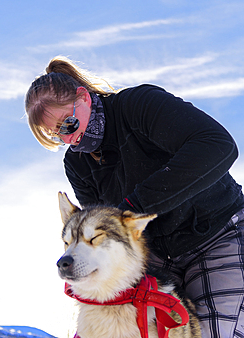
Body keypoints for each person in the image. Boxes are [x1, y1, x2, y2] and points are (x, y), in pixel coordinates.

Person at [25, 56, 244, 338]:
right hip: (155, 255)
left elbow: (217, 146)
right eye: (56, 136)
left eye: (67, 125)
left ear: (84, 96)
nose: (69, 140)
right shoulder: (78, 164)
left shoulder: (138, 106)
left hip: (217, 235)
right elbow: (104, 230)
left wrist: (135, 207)